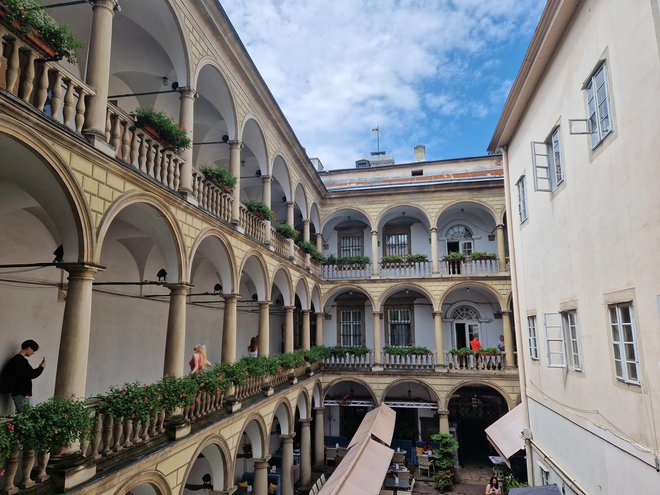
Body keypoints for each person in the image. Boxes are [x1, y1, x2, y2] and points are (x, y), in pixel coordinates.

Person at [0, 339, 46, 413]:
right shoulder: (20, 361)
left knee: (24, 415)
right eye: (33, 350)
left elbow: (27, 374)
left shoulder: (17, 360)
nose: (33, 353)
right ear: (28, 348)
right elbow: (32, 374)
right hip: (22, 393)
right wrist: (41, 367)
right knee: (27, 415)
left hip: (21, 393)